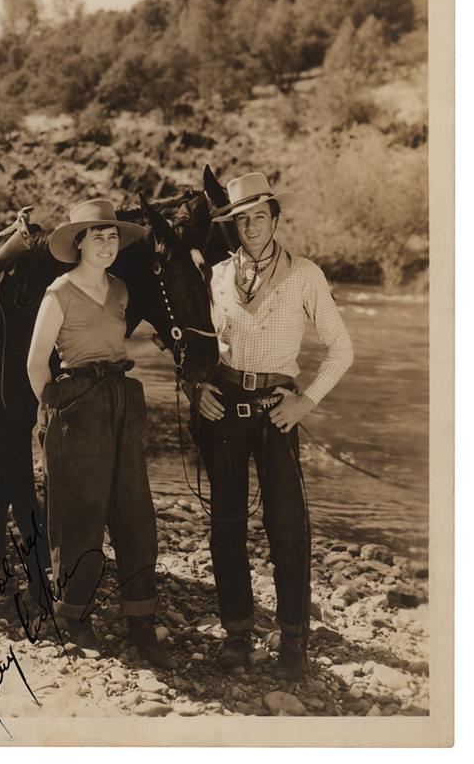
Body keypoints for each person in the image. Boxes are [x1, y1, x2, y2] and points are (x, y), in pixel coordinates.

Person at [197, 172, 353, 681]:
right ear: (233, 226)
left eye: (259, 217)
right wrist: (196, 386)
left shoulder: (305, 275)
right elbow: (194, 345)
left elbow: (341, 349)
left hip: (277, 410)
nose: (251, 228)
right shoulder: (217, 276)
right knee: (226, 525)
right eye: (242, 220)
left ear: (275, 219)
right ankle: (237, 634)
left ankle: (293, 642)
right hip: (224, 411)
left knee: (287, 527)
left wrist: (306, 402)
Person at [26, 198, 174, 669]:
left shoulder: (121, 290)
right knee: (79, 515)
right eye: (98, 237)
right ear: (79, 244)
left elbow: (116, 347)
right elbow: (36, 361)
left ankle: (141, 623)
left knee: (135, 512)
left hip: (121, 402)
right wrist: (56, 407)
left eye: (113, 237)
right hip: (77, 404)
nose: (108, 245)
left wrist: (160, 343)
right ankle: (74, 618)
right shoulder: (59, 292)